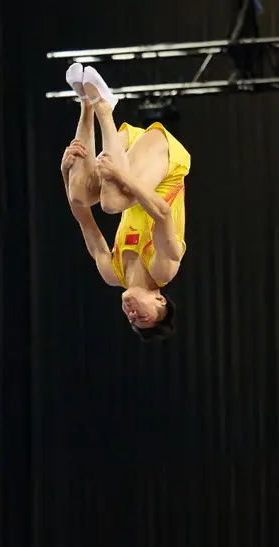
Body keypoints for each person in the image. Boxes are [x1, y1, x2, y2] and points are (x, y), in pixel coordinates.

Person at [60, 63, 191, 341]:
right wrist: (119, 174)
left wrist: (66, 173)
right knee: (111, 201)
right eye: (142, 315)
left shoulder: (111, 273)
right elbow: (163, 213)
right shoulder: (163, 269)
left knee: (80, 195)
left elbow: (82, 217)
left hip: (127, 152)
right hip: (165, 161)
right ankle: (105, 108)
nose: (132, 313)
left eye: (132, 319)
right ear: (160, 302)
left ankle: (86, 104)